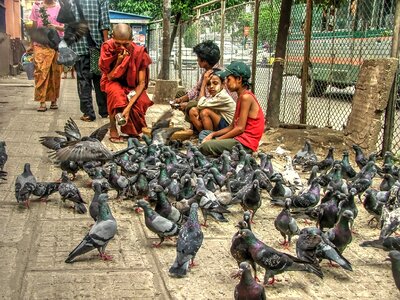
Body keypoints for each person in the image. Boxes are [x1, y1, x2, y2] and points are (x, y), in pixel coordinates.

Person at [99, 23, 153, 143]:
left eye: (126, 44)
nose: (122, 48)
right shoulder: (107, 47)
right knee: (116, 95)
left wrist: (128, 107)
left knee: (141, 101)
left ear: (131, 40)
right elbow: (109, 76)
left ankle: (133, 131)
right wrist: (119, 62)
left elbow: (141, 83)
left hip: (133, 84)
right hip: (112, 80)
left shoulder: (139, 52)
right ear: (112, 37)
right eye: (118, 44)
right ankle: (113, 128)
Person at [199, 61, 265, 156]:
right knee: (205, 134)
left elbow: (240, 129)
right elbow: (232, 126)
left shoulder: (246, 97)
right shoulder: (241, 97)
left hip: (245, 143)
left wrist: (217, 140)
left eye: (229, 79)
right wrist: (213, 135)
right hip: (238, 138)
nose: (226, 82)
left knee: (206, 146)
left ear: (239, 79)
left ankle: (238, 153)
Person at [173, 40, 236, 132]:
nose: (197, 60)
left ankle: (203, 132)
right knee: (180, 95)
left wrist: (188, 104)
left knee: (191, 107)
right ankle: (196, 126)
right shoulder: (207, 72)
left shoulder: (218, 75)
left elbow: (212, 101)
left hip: (219, 110)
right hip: (207, 102)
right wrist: (180, 99)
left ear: (205, 60)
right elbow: (196, 90)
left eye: (198, 58)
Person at [69, 0, 110, 121]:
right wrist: (106, 43)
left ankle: (88, 113)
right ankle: (104, 111)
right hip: (96, 46)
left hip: (79, 46)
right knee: (99, 79)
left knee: (83, 80)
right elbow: (104, 21)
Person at [30, 0, 64, 112]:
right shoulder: (36, 7)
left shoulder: (60, 8)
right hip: (40, 45)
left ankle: (54, 100)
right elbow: (33, 27)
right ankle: (42, 101)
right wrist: (32, 45)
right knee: (41, 72)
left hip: (55, 45)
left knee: (55, 72)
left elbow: (65, 27)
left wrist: (55, 27)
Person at [195, 70, 236, 142]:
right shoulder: (216, 95)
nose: (211, 86)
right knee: (194, 111)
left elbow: (200, 104)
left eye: (215, 83)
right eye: (208, 84)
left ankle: (209, 138)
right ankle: (206, 136)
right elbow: (201, 104)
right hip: (223, 124)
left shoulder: (223, 96)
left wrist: (204, 84)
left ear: (223, 84)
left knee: (205, 112)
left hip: (229, 128)